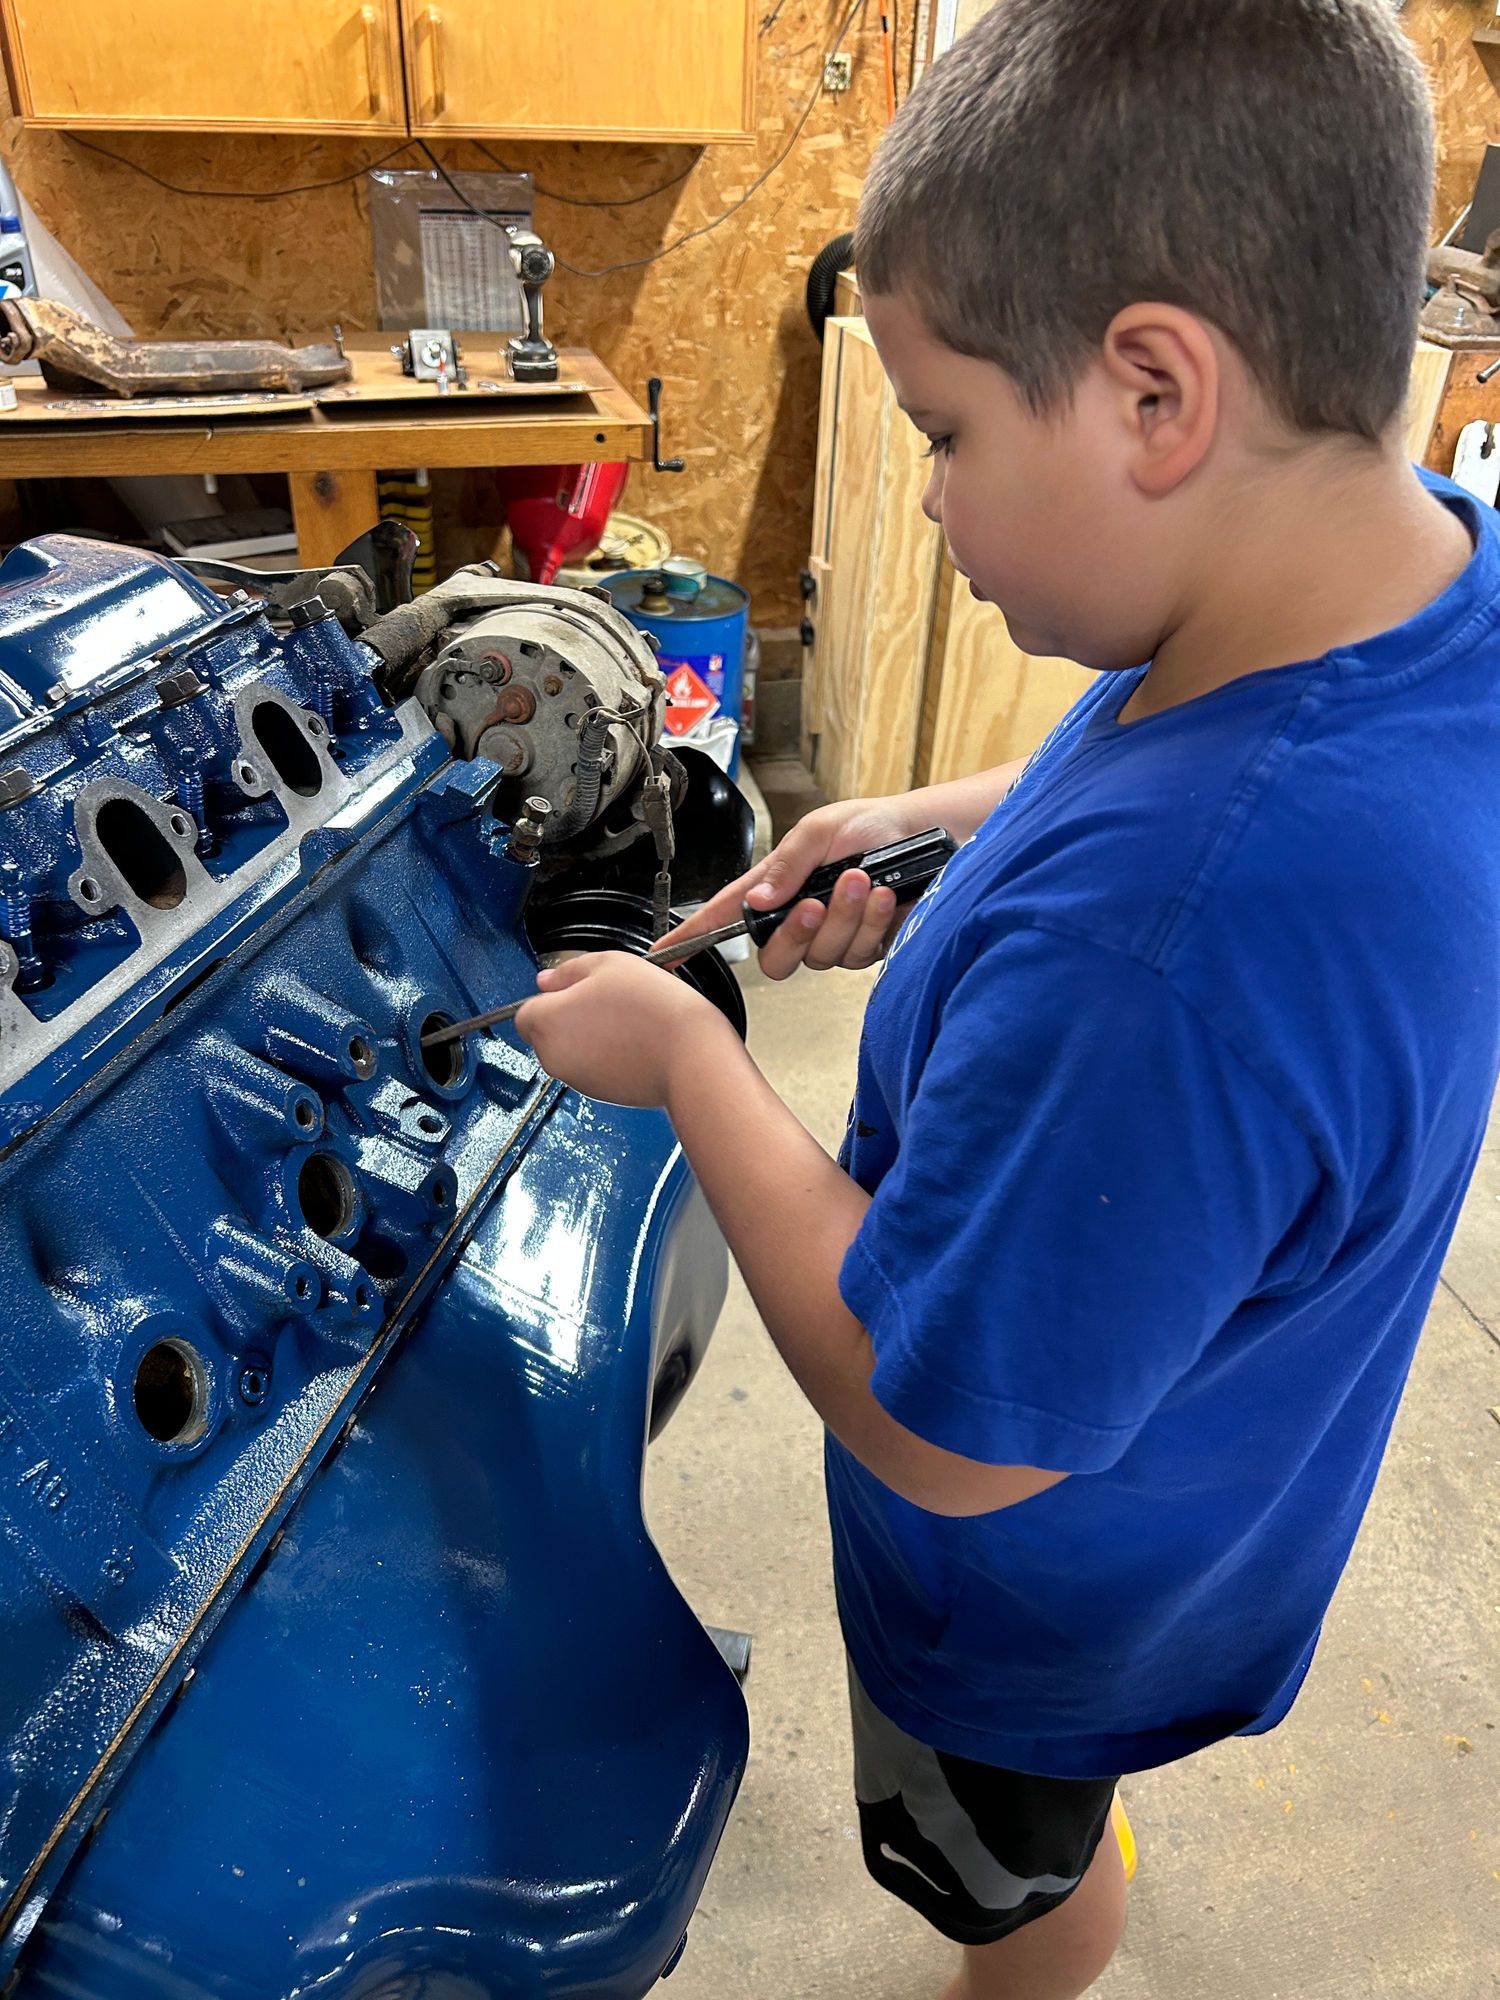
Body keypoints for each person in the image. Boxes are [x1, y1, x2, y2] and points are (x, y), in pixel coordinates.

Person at [514, 3, 1500, 1994]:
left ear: (1156, 391)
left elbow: (934, 1421)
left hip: (1037, 1604)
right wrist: (948, 823)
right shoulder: (1417, 577)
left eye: (947, 433)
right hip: (1205, 1463)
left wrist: (688, 1057)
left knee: (1014, 1873)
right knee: (1054, 1826)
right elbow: (1204, 753)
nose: (932, 503)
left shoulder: (1161, 954)